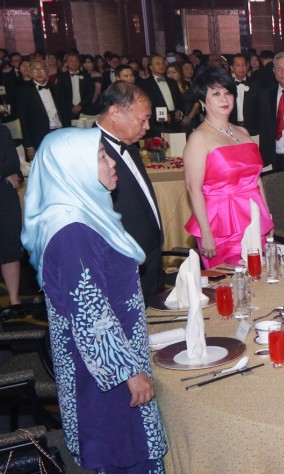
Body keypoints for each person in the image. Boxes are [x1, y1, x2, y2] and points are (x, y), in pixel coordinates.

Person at [20, 127, 168, 472]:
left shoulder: (86, 215)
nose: (111, 162)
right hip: (106, 381)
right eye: (101, 157)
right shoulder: (72, 233)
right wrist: (129, 372)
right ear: (73, 170)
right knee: (125, 458)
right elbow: (90, 315)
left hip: (111, 366)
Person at [183, 68, 273, 268]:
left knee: (259, 279)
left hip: (253, 218)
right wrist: (206, 233)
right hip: (221, 225)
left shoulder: (242, 131)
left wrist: (268, 218)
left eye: (227, 93)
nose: (224, 99)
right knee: (230, 286)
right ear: (202, 102)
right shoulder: (199, 138)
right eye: (215, 94)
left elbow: (256, 180)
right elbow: (193, 189)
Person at [96, 82, 165, 303]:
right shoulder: (93, 152)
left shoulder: (129, 145)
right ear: (115, 112)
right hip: (123, 263)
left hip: (150, 258)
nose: (147, 127)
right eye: (142, 119)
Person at [16, 59, 69, 160]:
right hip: (39, 136)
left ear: (47, 71)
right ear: (30, 73)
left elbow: (65, 113)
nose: (39, 72)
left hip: (60, 132)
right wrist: (29, 145)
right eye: (35, 70)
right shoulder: (24, 92)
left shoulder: (56, 89)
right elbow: (23, 120)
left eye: (42, 69)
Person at [0, 125, 21, 305]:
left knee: (9, 247)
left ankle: (14, 300)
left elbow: (13, 163)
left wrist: (10, 173)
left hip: (4, 196)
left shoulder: (2, 130)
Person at [138, 55, 183, 136]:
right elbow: (144, 106)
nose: (161, 66)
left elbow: (180, 100)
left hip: (175, 123)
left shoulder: (172, 82)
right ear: (151, 67)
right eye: (158, 64)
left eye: (163, 63)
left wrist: (180, 112)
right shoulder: (145, 84)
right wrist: (160, 117)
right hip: (157, 126)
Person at [55, 52, 95, 119]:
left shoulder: (86, 75)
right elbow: (60, 94)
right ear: (67, 63)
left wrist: (80, 105)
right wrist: (71, 107)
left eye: (76, 61)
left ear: (79, 62)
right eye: (71, 61)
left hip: (85, 109)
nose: (74, 63)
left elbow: (90, 92)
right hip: (68, 110)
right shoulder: (62, 77)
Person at [166, 63, 199, 132]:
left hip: (192, 119)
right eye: (168, 72)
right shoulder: (167, 88)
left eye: (173, 72)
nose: (171, 75)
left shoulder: (188, 85)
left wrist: (190, 117)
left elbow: (197, 102)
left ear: (180, 73)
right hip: (176, 121)